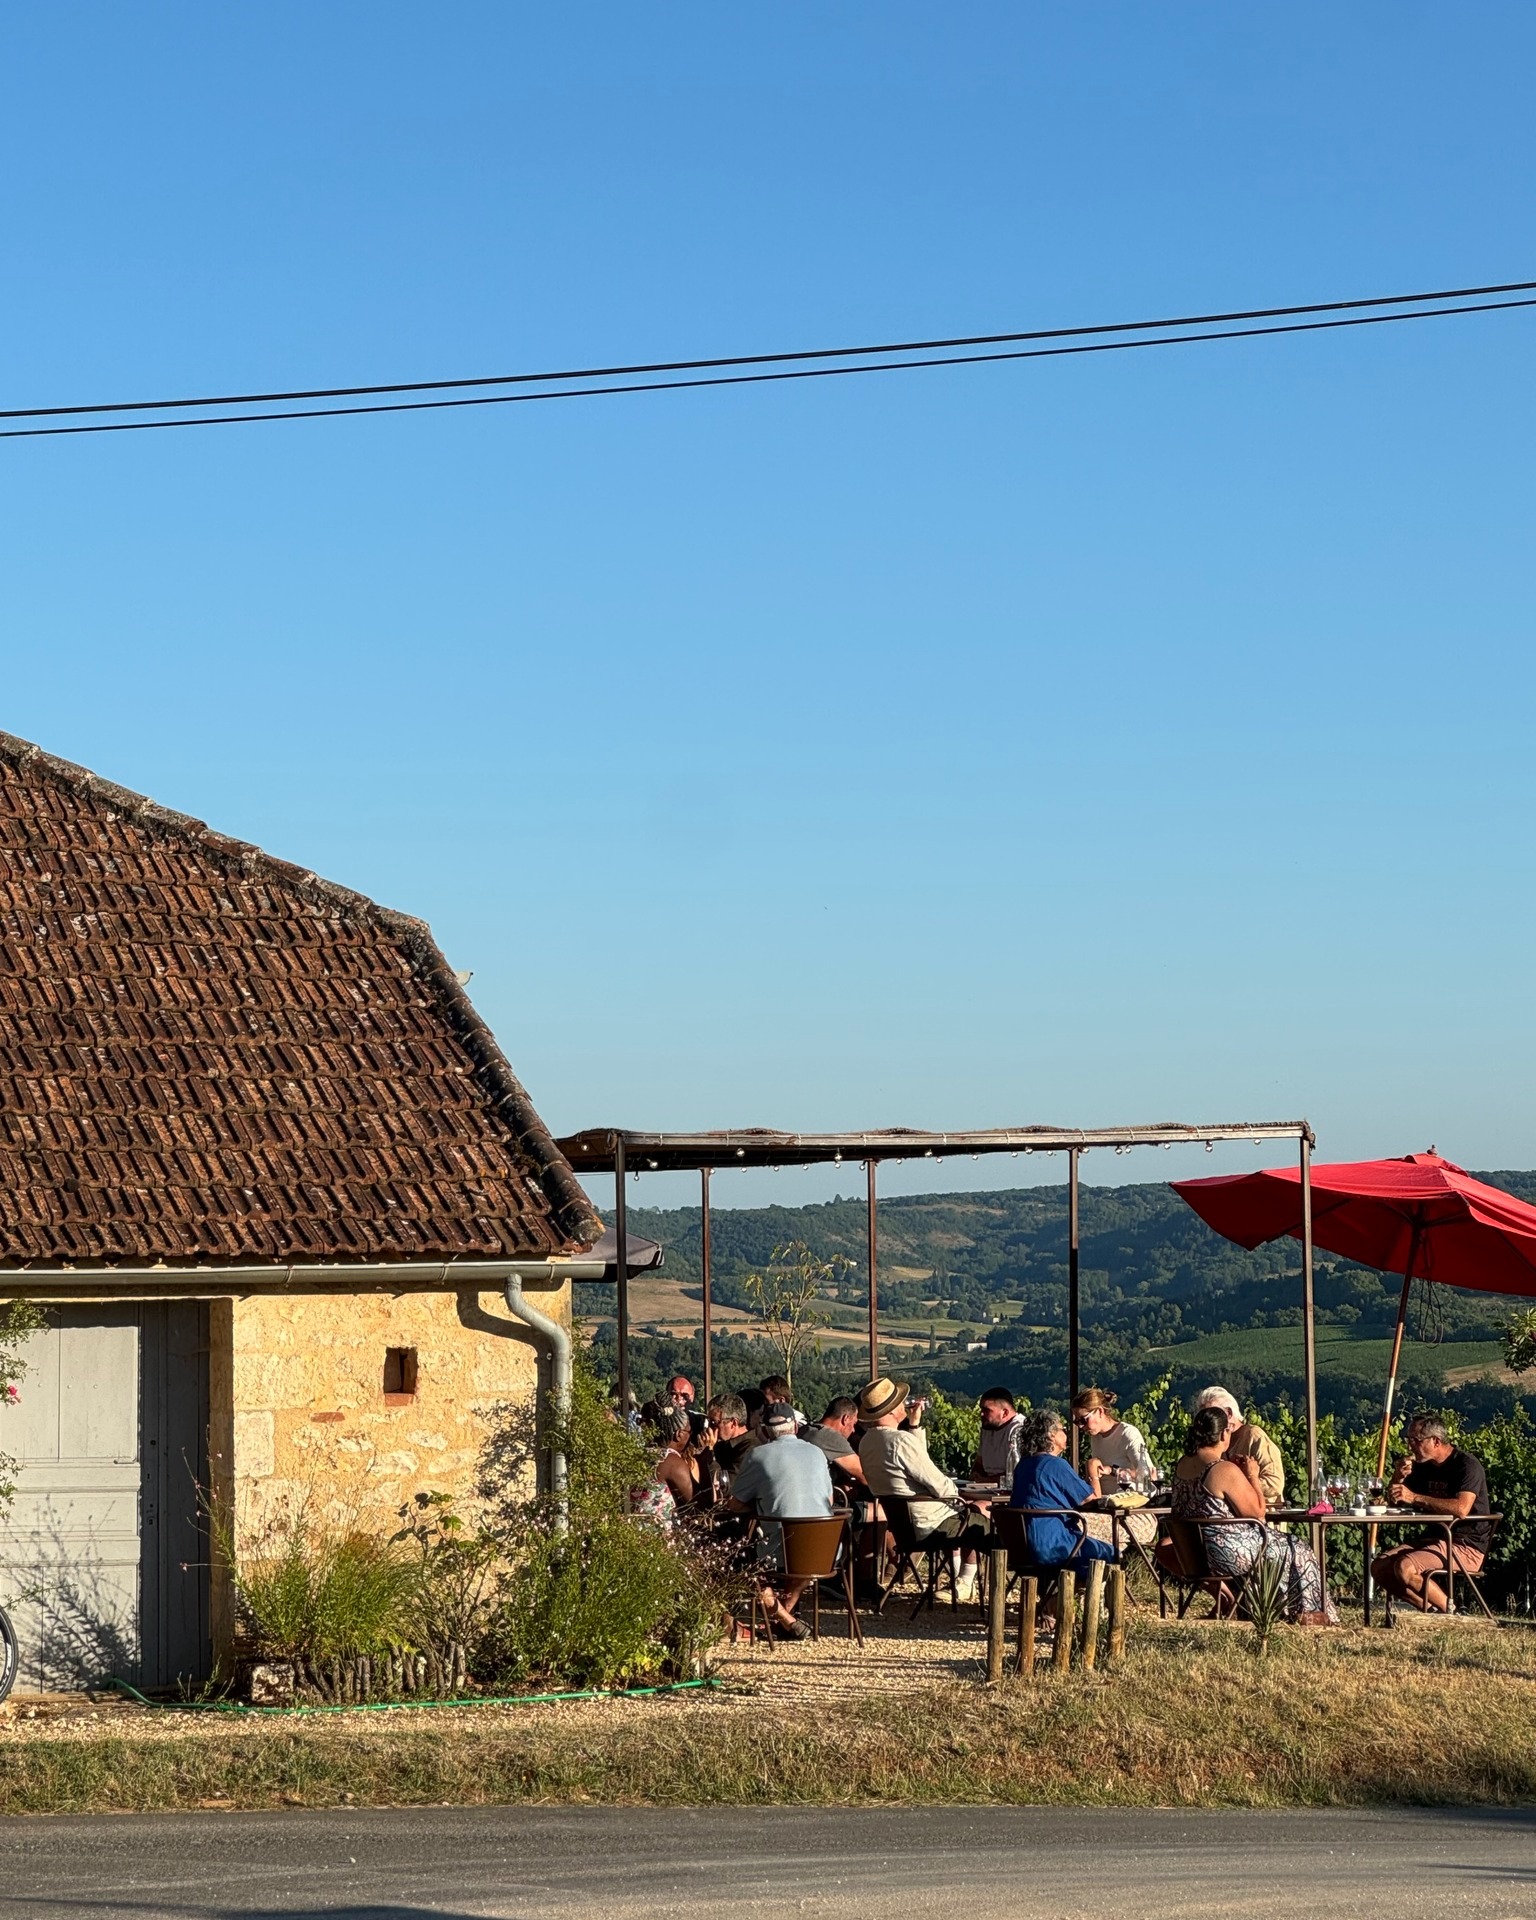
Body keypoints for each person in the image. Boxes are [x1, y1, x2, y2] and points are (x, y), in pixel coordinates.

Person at [1170, 1406, 1337, 1624]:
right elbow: (1257, 1512)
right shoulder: (1221, 1469)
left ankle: (1263, 1607)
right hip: (1225, 1553)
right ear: (1223, 1434)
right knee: (1297, 1547)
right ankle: (1307, 1611)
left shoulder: (1182, 1465)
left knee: (1280, 1546)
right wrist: (1252, 1476)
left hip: (1193, 1554)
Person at [856, 1375, 989, 1603]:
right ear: (891, 1411)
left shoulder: (867, 1442)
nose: (904, 1404)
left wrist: (914, 1425)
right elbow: (937, 1482)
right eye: (900, 1401)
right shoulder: (899, 1441)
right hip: (931, 1523)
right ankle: (969, 1583)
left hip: (905, 1527)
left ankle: (959, 1581)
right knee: (985, 1524)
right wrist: (958, 1496)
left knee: (968, 1516)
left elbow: (915, 1462)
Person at [724, 1402, 835, 1639]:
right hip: (825, 1551)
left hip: (781, 1549)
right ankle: (787, 1620)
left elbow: (734, 1505)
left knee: (743, 1559)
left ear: (764, 1431)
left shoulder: (758, 1455)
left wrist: (760, 1504)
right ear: (795, 1426)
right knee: (802, 1557)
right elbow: (829, 1499)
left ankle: (781, 1617)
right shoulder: (817, 1453)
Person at [1371, 1413, 1492, 1614]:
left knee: (1405, 1567)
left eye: (1416, 1440)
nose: (1410, 1446)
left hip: (1465, 1544)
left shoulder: (1467, 1465)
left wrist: (1415, 1497)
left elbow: (1461, 1509)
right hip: (1435, 1538)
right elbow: (1395, 1500)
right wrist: (1398, 1477)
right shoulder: (1422, 1466)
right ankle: (1432, 1611)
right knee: (1379, 1567)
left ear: (1436, 1441)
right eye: (1408, 1439)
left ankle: (1453, 1613)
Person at [1008, 1407, 1115, 1571]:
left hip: (1023, 1549)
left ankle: (1065, 1587)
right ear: (1051, 1435)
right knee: (1113, 1554)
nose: (1066, 1433)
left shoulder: (1023, 1465)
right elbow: (1093, 1500)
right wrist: (1093, 1470)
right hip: (1056, 1546)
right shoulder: (1055, 1465)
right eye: (1063, 1429)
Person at [1191, 1385, 1285, 1506]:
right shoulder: (1215, 1444)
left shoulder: (1254, 1437)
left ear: (1229, 1413)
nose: (1208, 1423)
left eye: (1213, 1416)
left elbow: (1275, 1483)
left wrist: (1240, 1484)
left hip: (1263, 1514)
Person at [1071, 1387, 1158, 1494]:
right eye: (1077, 1421)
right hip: (1105, 1501)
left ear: (1100, 1411)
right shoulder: (1095, 1437)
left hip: (1129, 1501)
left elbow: (1149, 1474)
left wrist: (1113, 1471)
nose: (1080, 1426)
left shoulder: (1128, 1434)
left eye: (1084, 1420)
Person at [804, 1396, 868, 1495]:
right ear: (845, 1419)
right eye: (854, 1424)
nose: (853, 1430)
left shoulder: (805, 1430)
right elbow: (865, 1475)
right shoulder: (830, 1437)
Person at [972, 1386, 1026, 1484]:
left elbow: (1016, 1474)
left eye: (986, 1410)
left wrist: (985, 1480)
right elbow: (979, 1462)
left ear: (1004, 1413)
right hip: (985, 1487)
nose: (981, 1414)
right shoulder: (988, 1427)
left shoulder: (1019, 1429)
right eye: (981, 1409)